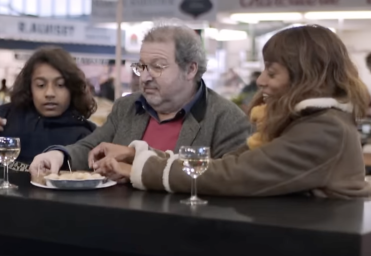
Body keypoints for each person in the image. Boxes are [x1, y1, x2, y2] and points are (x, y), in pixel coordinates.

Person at [94, 25, 371, 199]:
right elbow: (222, 162)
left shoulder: (324, 130)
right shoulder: (306, 122)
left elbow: (236, 173)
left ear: (306, 77)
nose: (260, 81)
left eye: (271, 72)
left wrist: (138, 169)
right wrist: (138, 155)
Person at [29, 23, 251, 178]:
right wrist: (58, 156)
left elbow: (229, 180)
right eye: (142, 66)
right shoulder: (128, 107)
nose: (144, 76)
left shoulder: (226, 120)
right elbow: (91, 146)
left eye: (157, 67)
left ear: (190, 69)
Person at [0, 46, 97, 172]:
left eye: (60, 85)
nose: (50, 93)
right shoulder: (1, 119)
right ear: (29, 87)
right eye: (41, 85)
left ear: (72, 89)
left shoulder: (85, 134)